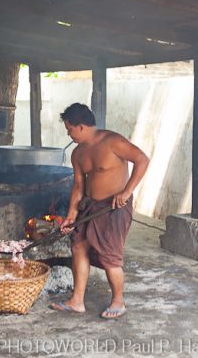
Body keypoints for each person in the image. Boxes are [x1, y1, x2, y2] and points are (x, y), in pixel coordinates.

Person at [51, 103, 149, 319]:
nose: (69, 134)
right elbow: (78, 186)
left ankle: (118, 301)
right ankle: (77, 301)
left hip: (115, 207)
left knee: (109, 256)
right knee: (78, 247)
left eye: (70, 129)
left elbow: (142, 160)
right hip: (89, 207)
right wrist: (71, 215)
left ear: (82, 127)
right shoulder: (78, 154)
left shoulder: (113, 141)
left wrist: (126, 192)